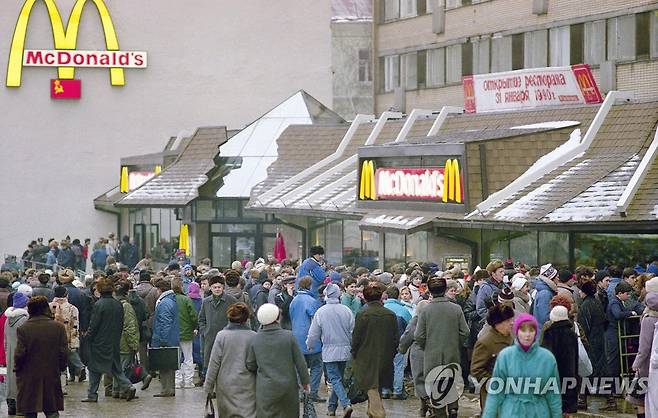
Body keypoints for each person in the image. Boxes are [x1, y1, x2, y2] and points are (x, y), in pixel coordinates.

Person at [482, 313, 562, 418]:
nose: (527, 335)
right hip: (512, 412)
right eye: (523, 330)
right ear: (517, 332)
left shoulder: (547, 358)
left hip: (538, 412)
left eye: (531, 330)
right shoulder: (505, 356)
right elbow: (495, 393)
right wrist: (488, 415)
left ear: (536, 333)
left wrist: (557, 415)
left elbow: (553, 394)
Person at [415, 277, 470, 417]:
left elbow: (419, 335)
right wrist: (455, 342)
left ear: (430, 292)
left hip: (432, 355)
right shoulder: (456, 309)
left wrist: (427, 345)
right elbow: (465, 331)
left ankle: (440, 412)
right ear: (445, 290)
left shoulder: (425, 310)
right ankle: (453, 407)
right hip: (452, 352)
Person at [246, 303, 310, 418]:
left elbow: (250, 364)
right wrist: (305, 382)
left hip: (265, 388)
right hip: (288, 387)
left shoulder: (255, 339)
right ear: (276, 318)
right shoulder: (288, 336)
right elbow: (300, 362)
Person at [81, 277, 137, 402]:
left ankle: (92, 394)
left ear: (100, 290)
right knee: (116, 368)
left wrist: (87, 337)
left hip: (99, 343)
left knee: (94, 368)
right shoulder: (118, 304)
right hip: (114, 341)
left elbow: (94, 325)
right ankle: (128, 385)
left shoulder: (99, 305)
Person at [14, 296, 68, 418]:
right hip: (51, 372)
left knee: (30, 409)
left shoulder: (24, 329)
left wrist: (18, 369)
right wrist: (61, 367)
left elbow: (20, 353)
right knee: (52, 408)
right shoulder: (58, 328)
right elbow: (63, 352)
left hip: (29, 374)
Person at [306, 283, 355, 417]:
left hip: (329, 350)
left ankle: (346, 404)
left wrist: (309, 344)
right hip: (345, 350)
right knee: (338, 379)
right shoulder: (346, 310)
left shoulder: (321, 311)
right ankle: (331, 408)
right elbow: (353, 331)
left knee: (334, 379)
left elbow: (313, 333)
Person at [352, 283, 399, 418]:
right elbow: (396, 337)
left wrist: (354, 352)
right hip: (385, 355)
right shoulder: (390, 315)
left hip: (365, 356)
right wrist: (392, 352)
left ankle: (378, 413)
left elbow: (356, 338)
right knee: (377, 385)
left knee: (371, 385)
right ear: (380, 297)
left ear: (365, 298)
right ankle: (372, 412)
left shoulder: (362, 314)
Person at [204, 302, 256, 417]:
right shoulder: (253, 336)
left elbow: (214, 363)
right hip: (248, 384)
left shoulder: (222, 336)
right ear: (246, 318)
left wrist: (208, 386)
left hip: (226, 385)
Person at [470, 304, 515, 409]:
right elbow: (476, 370)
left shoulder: (510, 337)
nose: (512, 323)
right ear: (498, 323)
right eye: (508, 321)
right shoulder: (486, 342)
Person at [290, 276, 324, 402]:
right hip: (310, 339)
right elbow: (316, 320)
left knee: (299, 367)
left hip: (296, 338)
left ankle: (301, 393)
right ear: (310, 286)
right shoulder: (311, 301)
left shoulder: (294, 300)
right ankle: (312, 392)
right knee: (316, 366)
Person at [541, 305, 579, 415]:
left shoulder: (549, 334)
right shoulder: (572, 335)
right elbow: (576, 358)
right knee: (567, 411)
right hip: (570, 378)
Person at [198, 275, 237, 376]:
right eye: (214, 287)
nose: (217, 289)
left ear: (223, 287)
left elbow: (237, 317)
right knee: (210, 364)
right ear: (210, 288)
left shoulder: (231, 300)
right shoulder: (206, 302)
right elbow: (201, 319)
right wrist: (205, 331)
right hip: (210, 338)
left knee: (226, 364)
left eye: (219, 287)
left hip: (227, 338)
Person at [630, 277, 658, 417]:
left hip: (647, 365)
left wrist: (636, 363)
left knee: (638, 399)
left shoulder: (649, 318)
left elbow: (644, 346)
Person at [399, 300, 431, 416]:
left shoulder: (415, 321)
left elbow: (407, 337)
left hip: (418, 353)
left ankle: (425, 405)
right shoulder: (434, 320)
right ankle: (427, 406)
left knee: (419, 380)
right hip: (434, 352)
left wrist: (401, 349)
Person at [382, 285, 412, 400]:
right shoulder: (403, 310)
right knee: (398, 366)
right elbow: (410, 326)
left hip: (384, 343)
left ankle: (385, 390)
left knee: (385, 366)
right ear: (398, 295)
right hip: (399, 342)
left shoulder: (382, 308)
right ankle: (397, 391)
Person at [151, 279, 180, 397]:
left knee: (164, 366)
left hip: (165, 338)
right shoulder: (171, 300)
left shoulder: (164, 303)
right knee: (169, 365)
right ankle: (169, 389)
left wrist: (163, 339)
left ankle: (166, 390)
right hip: (172, 337)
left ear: (159, 289)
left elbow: (165, 323)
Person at [49, 286, 84, 383]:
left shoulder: (48, 307)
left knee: (58, 359)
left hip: (52, 336)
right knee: (70, 353)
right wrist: (74, 337)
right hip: (68, 335)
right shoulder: (73, 308)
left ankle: (62, 382)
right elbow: (75, 324)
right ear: (66, 294)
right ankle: (78, 368)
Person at [605, 282, 638, 380]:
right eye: (627, 294)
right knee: (614, 360)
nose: (628, 296)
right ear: (619, 293)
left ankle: (615, 387)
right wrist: (630, 313)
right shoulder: (615, 302)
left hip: (614, 333)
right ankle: (613, 388)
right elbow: (618, 314)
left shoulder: (615, 301)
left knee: (616, 360)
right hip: (614, 334)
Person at [5, 292, 29, 415]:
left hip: (9, 353)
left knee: (10, 378)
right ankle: (21, 407)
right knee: (21, 378)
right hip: (21, 353)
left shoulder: (7, 320)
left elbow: (5, 340)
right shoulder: (24, 319)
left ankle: (11, 405)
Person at [578, 280, 607, 383]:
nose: (579, 293)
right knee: (600, 363)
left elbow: (584, 326)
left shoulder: (585, 306)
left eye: (581, 291)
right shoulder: (596, 302)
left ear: (584, 292)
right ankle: (603, 388)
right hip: (600, 337)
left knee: (591, 363)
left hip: (591, 339)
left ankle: (591, 387)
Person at [171, 276, 198, 389]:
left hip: (173, 334)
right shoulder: (186, 299)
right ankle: (188, 381)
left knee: (176, 358)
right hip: (186, 332)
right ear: (181, 286)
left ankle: (177, 381)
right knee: (188, 357)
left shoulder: (169, 299)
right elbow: (193, 316)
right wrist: (194, 327)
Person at [533, 263, 559, 328]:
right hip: (544, 332)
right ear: (551, 278)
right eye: (557, 277)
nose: (558, 279)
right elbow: (544, 318)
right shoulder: (545, 294)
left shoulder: (546, 291)